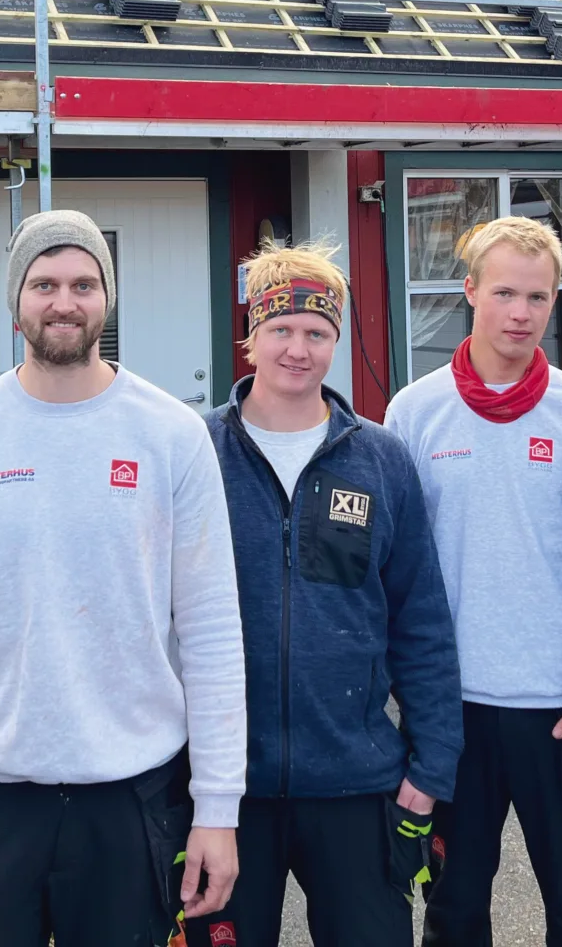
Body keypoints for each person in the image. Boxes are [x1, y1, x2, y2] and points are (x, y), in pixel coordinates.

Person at [0, 208, 246, 947]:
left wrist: (217, 809)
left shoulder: (171, 435)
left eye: (84, 283)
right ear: (16, 299)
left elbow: (210, 628)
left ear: (106, 299)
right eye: (44, 282)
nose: (64, 301)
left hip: (131, 797)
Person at [190, 241, 463, 947]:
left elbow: (420, 619)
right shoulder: (195, 455)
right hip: (227, 788)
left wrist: (432, 763)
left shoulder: (380, 458)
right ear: (250, 338)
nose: (298, 349)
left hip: (356, 781)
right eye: (280, 330)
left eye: (318, 333)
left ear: (335, 341)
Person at [385, 215, 562, 947]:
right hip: (453, 714)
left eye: (538, 298)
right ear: (470, 292)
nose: (520, 314)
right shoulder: (414, 412)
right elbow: (398, 570)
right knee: (453, 914)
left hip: (559, 710)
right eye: (505, 294)